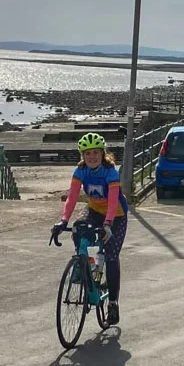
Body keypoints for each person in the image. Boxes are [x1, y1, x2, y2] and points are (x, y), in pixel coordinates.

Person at [51, 132, 128, 325]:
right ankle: (83, 262)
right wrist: (63, 221)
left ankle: (112, 303)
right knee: (78, 227)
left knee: (111, 257)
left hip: (116, 214)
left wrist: (108, 224)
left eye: (95, 153)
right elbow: (72, 197)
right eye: (87, 154)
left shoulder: (110, 172)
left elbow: (112, 201)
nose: (91, 157)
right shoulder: (80, 172)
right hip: (93, 209)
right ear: (82, 156)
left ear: (102, 154)